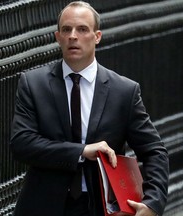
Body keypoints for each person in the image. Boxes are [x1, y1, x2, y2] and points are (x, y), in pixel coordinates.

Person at [10, 1, 169, 216]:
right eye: (66, 30)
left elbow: (154, 152)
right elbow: (22, 143)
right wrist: (82, 152)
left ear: (97, 36)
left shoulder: (123, 91)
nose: (73, 36)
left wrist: (153, 203)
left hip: (101, 208)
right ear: (58, 37)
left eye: (82, 29)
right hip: (43, 206)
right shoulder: (33, 84)